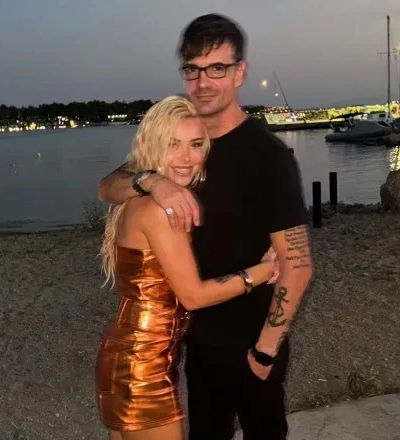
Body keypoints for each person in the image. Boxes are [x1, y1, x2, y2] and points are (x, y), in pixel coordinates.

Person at [98, 14, 314, 440]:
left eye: (217, 68)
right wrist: (151, 180)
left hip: (251, 340)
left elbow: (298, 263)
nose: (203, 82)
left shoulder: (267, 156)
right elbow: (108, 186)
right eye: (193, 70)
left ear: (240, 72)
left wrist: (266, 349)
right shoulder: (179, 148)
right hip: (195, 343)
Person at [95, 94, 277, 440]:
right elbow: (193, 296)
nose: (186, 157)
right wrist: (263, 271)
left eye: (195, 145)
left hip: (126, 352)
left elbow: (108, 185)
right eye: (172, 144)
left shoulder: (139, 197)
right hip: (143, 365)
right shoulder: (158, 209)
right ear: (152, 146)